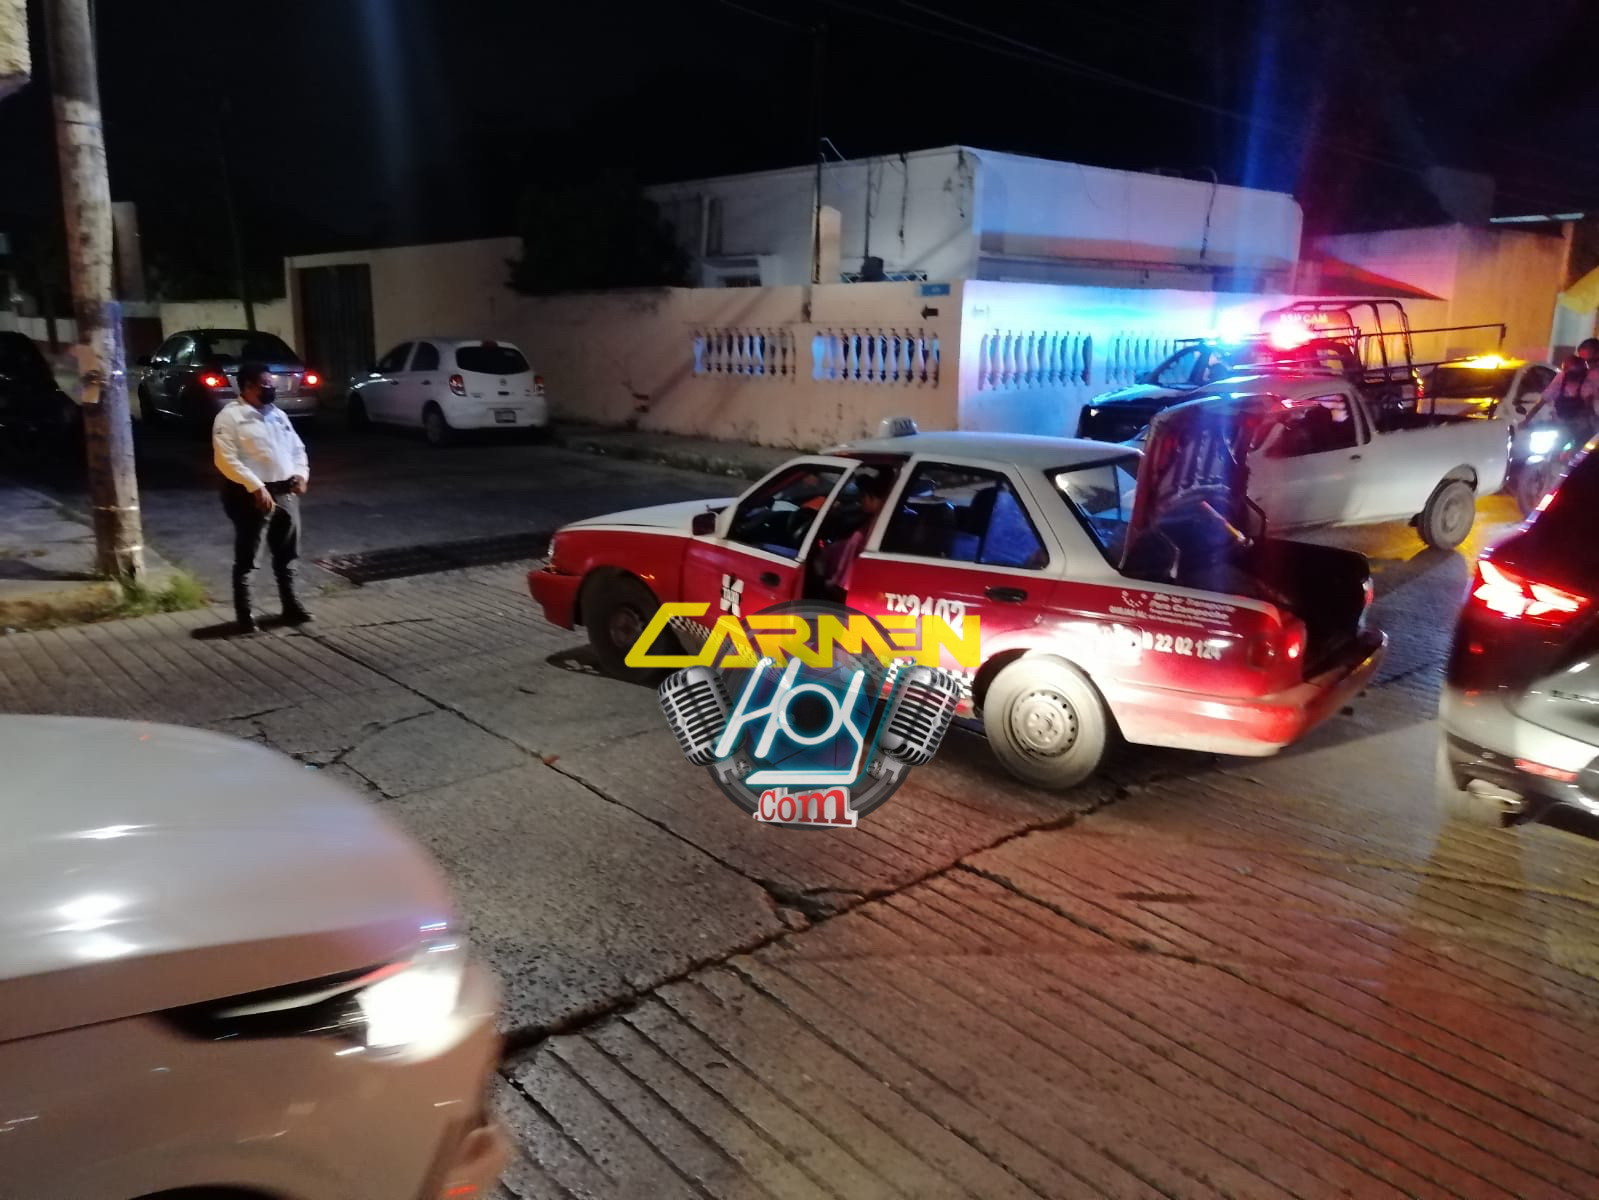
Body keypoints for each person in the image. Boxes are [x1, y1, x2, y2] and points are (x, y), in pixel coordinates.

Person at [212, 362, 312, 634]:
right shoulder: (230, 418)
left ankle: (291, 606)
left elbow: (297, 449)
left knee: (287, 553)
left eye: (272, 384)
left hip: (285, 492)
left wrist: (301, 474)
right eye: (266, 384)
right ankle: (245, 615)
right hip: (250, 497)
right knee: (249, 556)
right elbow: (226, 459)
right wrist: (255, 486)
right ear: (247, 386)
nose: (271, 389)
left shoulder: (277, 414)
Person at [813, 470, 896, 600]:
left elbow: (844, 571)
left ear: (873, 497)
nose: (860, 501)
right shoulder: (882, 523)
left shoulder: (862, 534)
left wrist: (830, 582)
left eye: (862, 497)